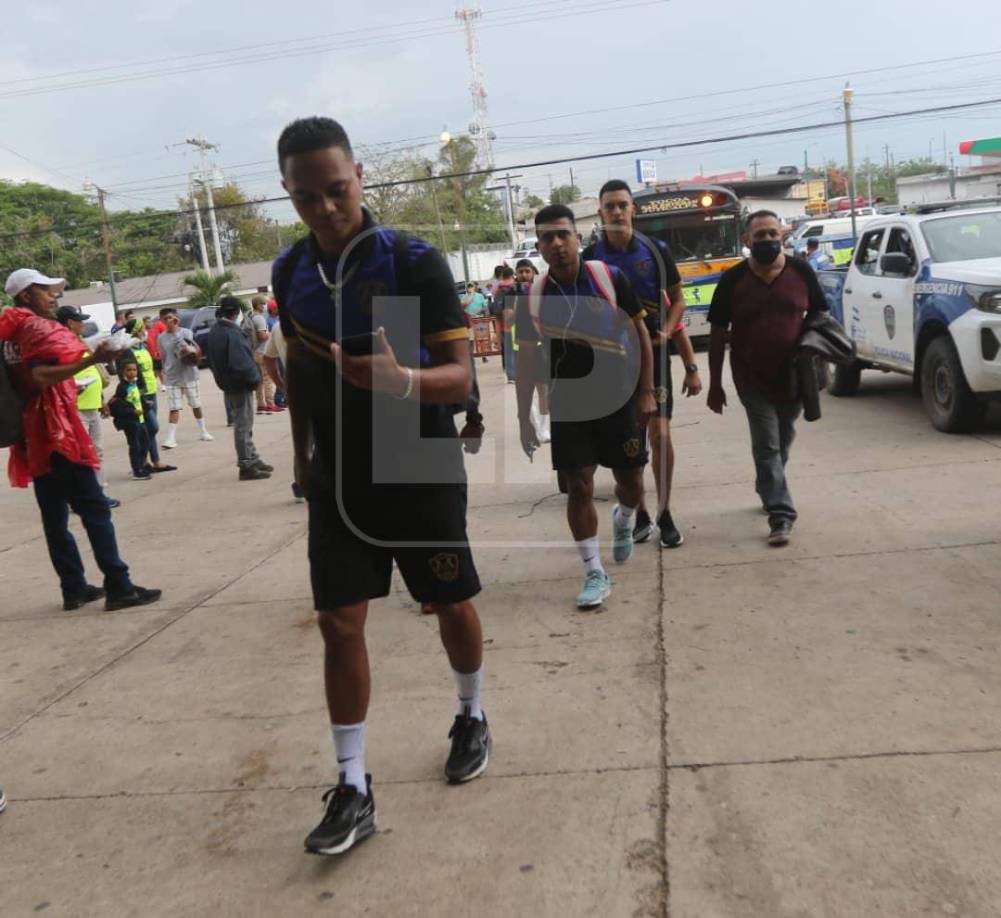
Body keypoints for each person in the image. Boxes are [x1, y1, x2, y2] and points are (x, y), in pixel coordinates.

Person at [273, 116, 490, 856]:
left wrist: (402, 381)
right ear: (287, 193)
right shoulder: (289, 273)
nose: (327, 208)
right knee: (339, 623)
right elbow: (301, 368)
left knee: (447, 602)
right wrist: (302, 455)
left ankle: (470, 713)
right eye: (307, 198)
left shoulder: (411, 262)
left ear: (359, 175)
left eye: (337, 190)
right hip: (338, 473)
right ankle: (354, 784)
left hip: (415, 456)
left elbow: (461, 378)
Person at [516, 205, 656, 609]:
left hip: (619, 395)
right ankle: (594, 570)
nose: (556, 244)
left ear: (578, 238)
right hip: (569, 403)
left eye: (563, 234)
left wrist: (646, 391)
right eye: (547, 238)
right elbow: (527, 361)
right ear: (539, 246)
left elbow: (642, 333)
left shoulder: (609, 279)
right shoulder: (534, 296)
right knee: (578, 484)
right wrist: (527, 417)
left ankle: (625, 520)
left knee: (630, 482)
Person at [1, 268, 161, 611]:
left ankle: (73, 588)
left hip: (33, 433)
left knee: (55, 516)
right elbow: (40, 375)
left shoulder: (11, 332)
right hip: (56, 431)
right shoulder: (32, 327)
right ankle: (119, 586)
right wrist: (93, 359)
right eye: (46, 291)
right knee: (95, 508)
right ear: (26, 294)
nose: (54, 296)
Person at [584, 179, 703, 549]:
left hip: (654, 358)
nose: (616, 212)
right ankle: (642, 513)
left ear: (633, 208)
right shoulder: (590, 258)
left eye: (622, 204)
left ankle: (666, 512)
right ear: (601, 213)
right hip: (612, 365)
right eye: (609, 207)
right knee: (630, 443)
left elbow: (679, 301)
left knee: (661, 434)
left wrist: (668, 335)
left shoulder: (656, 250)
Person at [707, 210, 829, 546]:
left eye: (772, 233)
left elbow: (820, 312)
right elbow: (717, 334)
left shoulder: (801, 271)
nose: (767, 240)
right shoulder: (732, 280)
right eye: (759, 235)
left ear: (783, 235)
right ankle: (781, 515)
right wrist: (715, 384)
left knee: (783, 438)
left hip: (793, 376)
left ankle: (767, 485)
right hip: (750, 377)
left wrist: (813, 345)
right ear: (746, 240)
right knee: (768, 445)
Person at [55, 306, 121, 508]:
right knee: (78, 455)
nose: (83, 324)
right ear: (69, 323)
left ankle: (98, 493)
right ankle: (80, 497)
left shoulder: (80, 343)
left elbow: (92, 372)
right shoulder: (60, 346)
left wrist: (100, 400)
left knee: (96, 451)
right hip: (75, 409)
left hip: (91, 405)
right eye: (79, 320)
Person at [204, 296, 273, 481]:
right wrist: (254, 379)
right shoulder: (231, 333)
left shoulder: (216, 330)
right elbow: (241, 362)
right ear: (236, 313)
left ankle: (252, 457)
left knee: (244, 422)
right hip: (239, 383)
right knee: (243, 424)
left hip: (228, 381)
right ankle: (246, 464)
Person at [124, 319, 175, 474]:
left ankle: (155, 461)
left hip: (151, 391)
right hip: (140, 395)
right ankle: (142, 460)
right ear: (134, 332)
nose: (144, 331)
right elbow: (126, 375)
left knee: (149, 429)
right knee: (152, 427)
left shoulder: (144, 346)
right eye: (141, 329)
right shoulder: (127, 351)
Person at [156, 309, 213, 448]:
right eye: (165, 318)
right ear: (162, 321)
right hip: (173, 377)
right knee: (174, 407)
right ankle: (170, 438)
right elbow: (163, 357)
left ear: (176, 318)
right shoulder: (161, 337)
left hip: (189, 375)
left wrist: (175, 333)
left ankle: (203, 431)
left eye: (171, 317)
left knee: (195, 404)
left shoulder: (186, 332)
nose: (168, 320)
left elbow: (186, 350)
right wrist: (164, 372)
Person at [109, 359, 152, 481]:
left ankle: (141, 465)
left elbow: (136, 399)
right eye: (129, 370)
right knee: (135, 446)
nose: (132, 372)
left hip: (140, 419)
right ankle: (136, 470)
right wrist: (132, 411)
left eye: (134, 370)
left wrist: (146, 405)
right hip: (130, 422)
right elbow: (119, 406)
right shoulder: (122, 387)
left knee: (145, 443)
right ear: (123, 372)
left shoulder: (134, 384)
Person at [248, 294, 280, 414]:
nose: (265, 306)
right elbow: (262, 336)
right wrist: (271, 333)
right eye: (263, 304)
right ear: (258, 305)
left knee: (259, 380)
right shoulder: (259, 318)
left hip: (253, 352)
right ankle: (270, 404)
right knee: (268, 379)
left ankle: (261, 405)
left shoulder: (250, 316)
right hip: (262, 352)